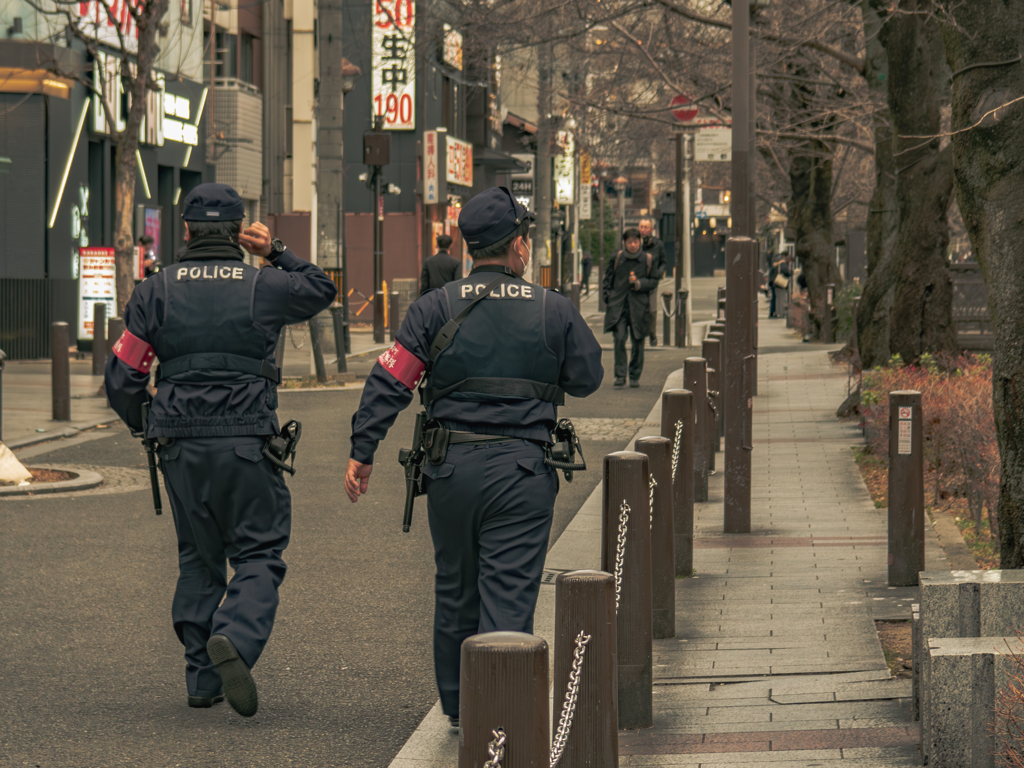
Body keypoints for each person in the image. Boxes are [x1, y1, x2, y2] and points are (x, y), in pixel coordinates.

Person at [344, 186, 603, 729]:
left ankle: (460, 708)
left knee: (455, 587)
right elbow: (587, 377)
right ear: (519, 245)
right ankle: (499, 715)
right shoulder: (552, 307)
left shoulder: (433, 307)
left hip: (450, 468)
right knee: (508, 590)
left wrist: (362, 450)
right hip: (523, 470)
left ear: (469, 247)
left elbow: (390, 380)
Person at [104, 183, 338, 717]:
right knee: (258, 552)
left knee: (197, 556)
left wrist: (148, 423)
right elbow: (321, 289)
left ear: (186, 230)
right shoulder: (265, 285)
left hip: (179, 444)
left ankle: (201, 679)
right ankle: (234, 635)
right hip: (247, 441)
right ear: (240, 233)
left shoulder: (155, 290)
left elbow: (122, 377)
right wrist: (276, 251)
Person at [603, 228, 659, 388]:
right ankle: (620, 375)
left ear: (640, 242)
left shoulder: (647, 259)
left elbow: (654, 281)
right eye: (629, 242)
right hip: (619, 306)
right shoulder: (617, 258)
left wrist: (640, 284)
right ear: (624, 243)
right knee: (619, 339)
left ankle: (634, 375)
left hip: (639, 306)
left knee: (638, 342)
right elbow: (607, 280)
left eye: (635, 241)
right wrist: (608, 298)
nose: (633, 245)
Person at [638, 217, 666, 346]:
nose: (643, 230)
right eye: (641, 227)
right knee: (638, 309)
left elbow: (663, 262)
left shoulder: (657, 244)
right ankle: (639, 334)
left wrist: (658, 274)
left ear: (651, 229)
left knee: (651, 309)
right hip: (638, 281)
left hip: (652, 281)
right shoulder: (636, 243)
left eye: (646, 227)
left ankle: (652, 333)